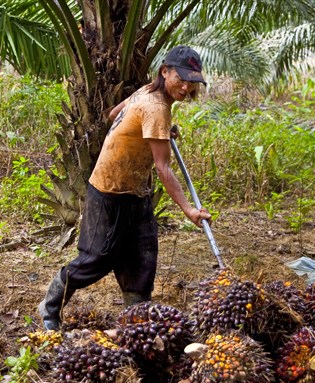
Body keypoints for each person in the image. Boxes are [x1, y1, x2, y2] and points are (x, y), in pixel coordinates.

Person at [38, 45, 212, 331]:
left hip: (136, 192)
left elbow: (112, 114)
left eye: (192, 81)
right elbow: (163, 168)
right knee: (96, 259)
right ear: (164, 71)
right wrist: (189, 210)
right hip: (110, 191)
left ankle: (136, 322)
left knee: (142, 256)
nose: (185, 86)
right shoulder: (156, 107)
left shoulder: (147, 92)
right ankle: (51, 304)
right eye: (181, 78)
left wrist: (154, 130)